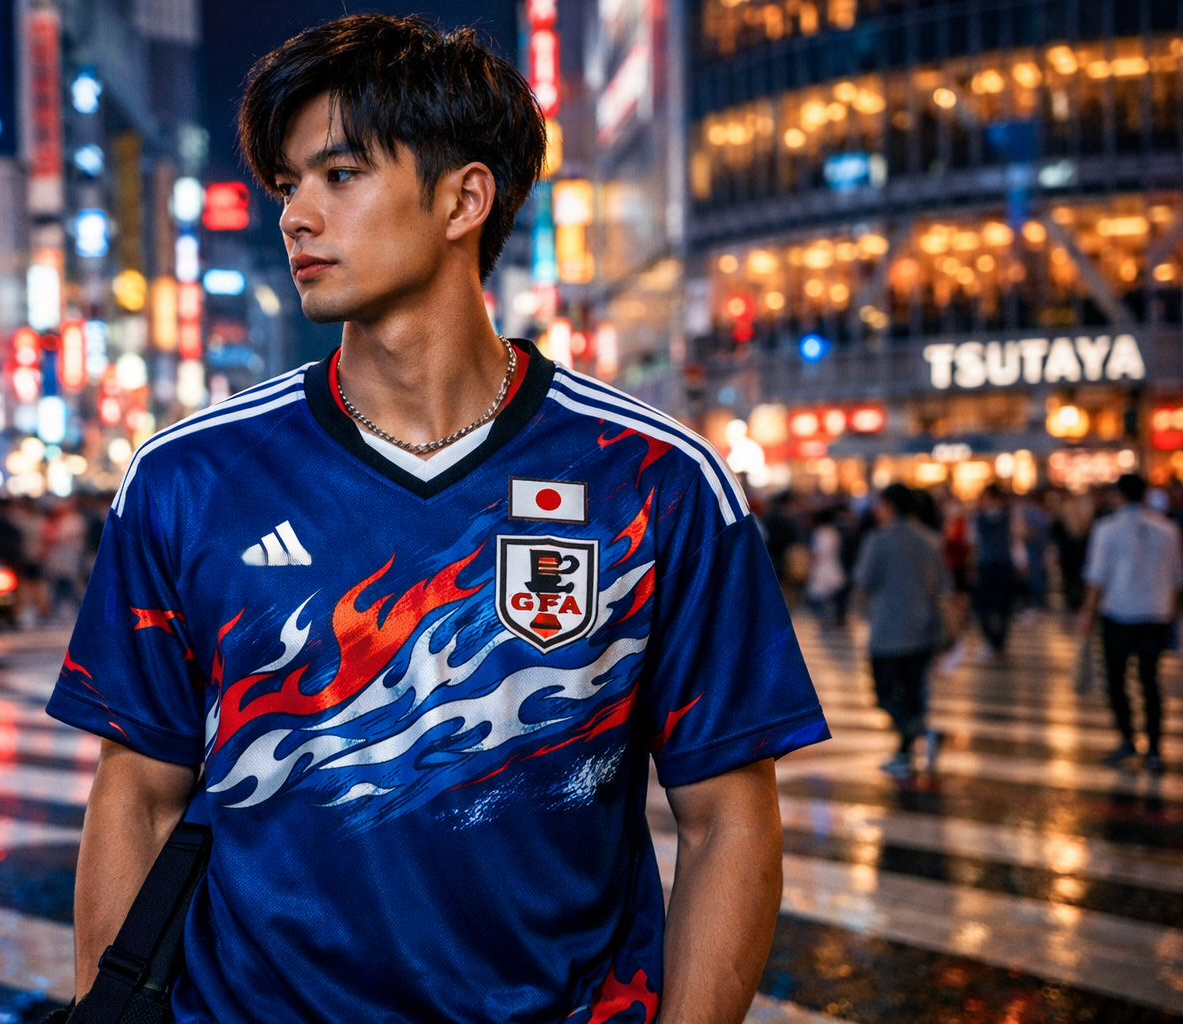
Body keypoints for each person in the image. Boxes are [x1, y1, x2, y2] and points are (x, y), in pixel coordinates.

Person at [46, 16, 829, 1024]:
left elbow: (728, 817)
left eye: (339, 175)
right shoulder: (188, 478)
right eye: (288, 185)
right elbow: (138, 794)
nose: (295, 216)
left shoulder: (659, 481)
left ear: (465, 197)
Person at [1079, 473, 1180, 774]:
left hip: (1118, 614)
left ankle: (1127, 738)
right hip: (1156, 614)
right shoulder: (1168, 530)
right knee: (1150, 681)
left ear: (1118, 495)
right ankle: (1154, 749)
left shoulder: (1106, 529)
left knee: (1117, 681)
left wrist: (1087, 613)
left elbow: (1096, 579)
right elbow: (1177, 580)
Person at [853, 484, 950, 777]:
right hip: (923, 630)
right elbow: (943, 586)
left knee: (884, 693)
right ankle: (906, 754)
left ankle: (921, 732)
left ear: (890, 506)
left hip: (889, 632)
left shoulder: (879, 540)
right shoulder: (931, 540)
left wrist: (860, 611)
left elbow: (863, 580)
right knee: (912, 693)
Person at [969, 484, 1019, 655]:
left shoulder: (986, 518)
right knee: (992, 607)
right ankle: (995, 641)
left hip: (993, 564)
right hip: (995, 564)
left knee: (995, 607)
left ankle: (996, 642)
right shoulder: (987, 518)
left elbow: (973, 544)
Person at [805, 506, 848, 626]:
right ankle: (832, 617)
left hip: (823, 566)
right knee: (831, 594)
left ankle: (827, 618)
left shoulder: (820, 533)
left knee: (823, 595)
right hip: (833, 564)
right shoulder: (834, 532)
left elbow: (818, 551)